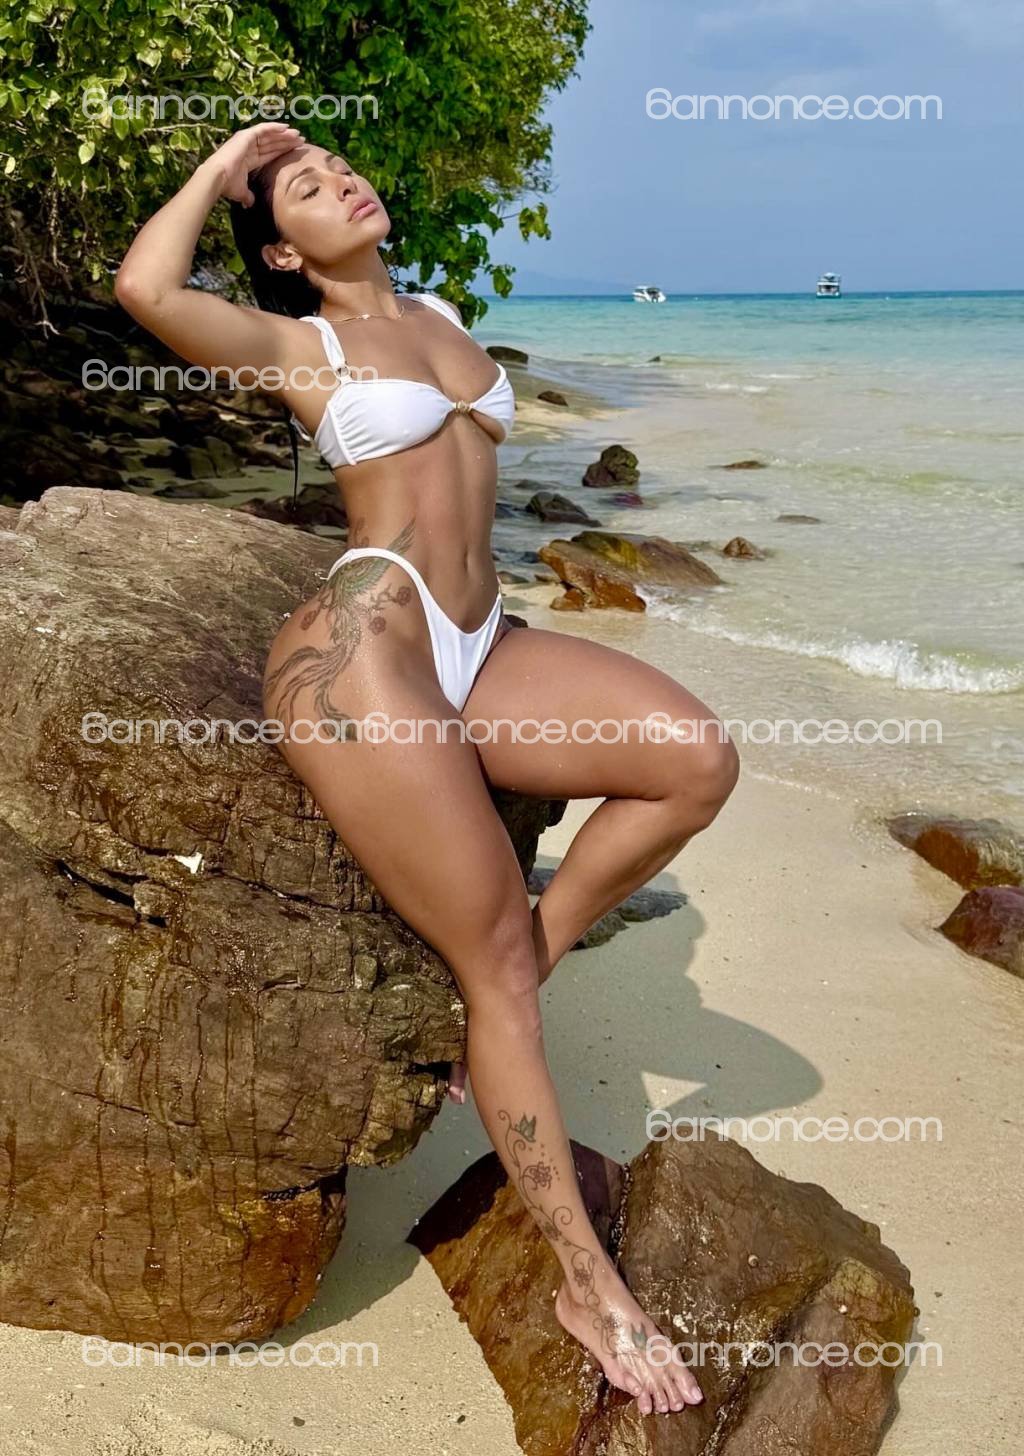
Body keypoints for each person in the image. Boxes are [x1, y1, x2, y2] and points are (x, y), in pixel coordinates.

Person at [115, 121, 740, 1416]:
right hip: (367, 650)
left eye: (341, 163)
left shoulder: (442, 314)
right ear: (283, 251)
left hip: (484, 639)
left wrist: (547, 919)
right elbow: (145, 288)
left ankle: (534, 951)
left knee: (697, 760)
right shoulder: (299, 347)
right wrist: (230, 157)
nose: (343, 178)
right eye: (307, 187)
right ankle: (584, 1282)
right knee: (488, 965)